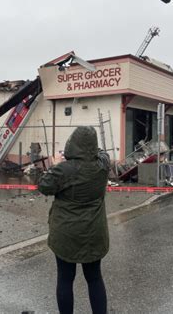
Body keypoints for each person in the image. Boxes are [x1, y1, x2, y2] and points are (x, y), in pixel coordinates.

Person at [37, 126, 110, 314]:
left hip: (66, 234)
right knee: (94, 278)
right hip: (94, 232)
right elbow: (102, 153)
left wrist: (55, 164)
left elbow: (44, 186)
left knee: (65, 278)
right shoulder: (103, 165)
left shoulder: (63, 170)